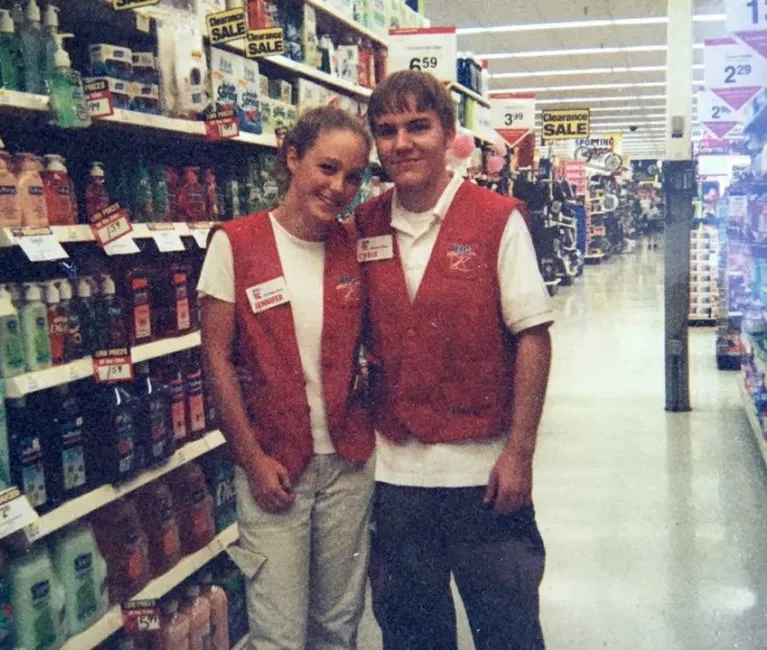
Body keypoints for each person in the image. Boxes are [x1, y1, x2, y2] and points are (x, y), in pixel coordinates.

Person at [355, 70, 554, 650]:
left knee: (508, 631)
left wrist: (520, 453)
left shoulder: (496, 220)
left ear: (448, 134)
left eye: (418, 126)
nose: (401, 143)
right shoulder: (364, 225)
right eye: (386, 130)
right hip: (395, 476)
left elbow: (533, 338)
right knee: (412, 634)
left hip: (483, 474)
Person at [198, 106, 376, 650]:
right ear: (292, 157)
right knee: (277, 631)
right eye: (326, 168)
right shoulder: (236, 242)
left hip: (348, 465)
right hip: (275, 467)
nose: (338, 187)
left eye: (352, 177)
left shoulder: (356, 247)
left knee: (338, 623)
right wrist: (250, 456)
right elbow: (216, 360)